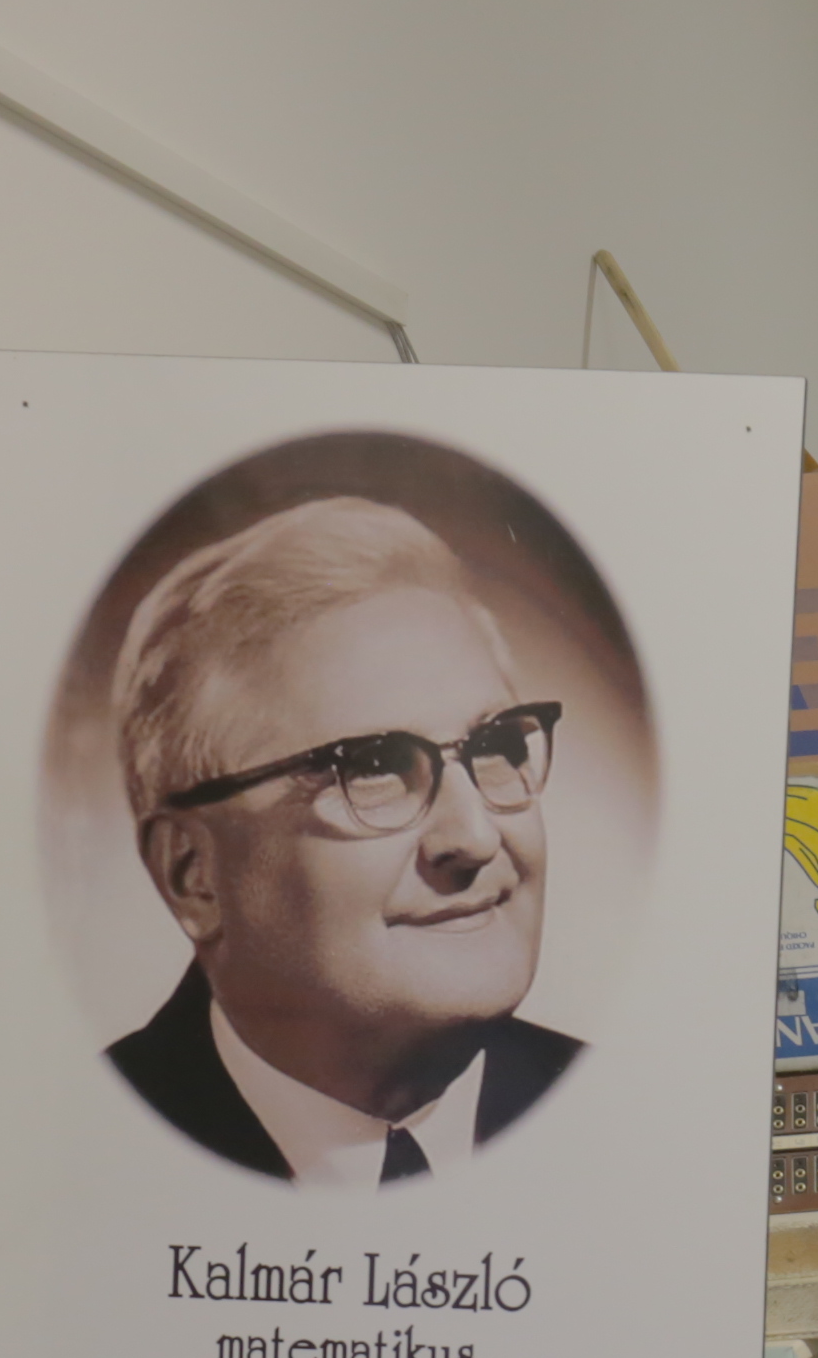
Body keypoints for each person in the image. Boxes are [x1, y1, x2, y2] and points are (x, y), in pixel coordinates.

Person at [103, 496, 579, 1187]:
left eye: (497, 745)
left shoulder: (627, 1120)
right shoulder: (81, 1152)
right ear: (192, 873)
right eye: (374, 767)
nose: (474, 837)